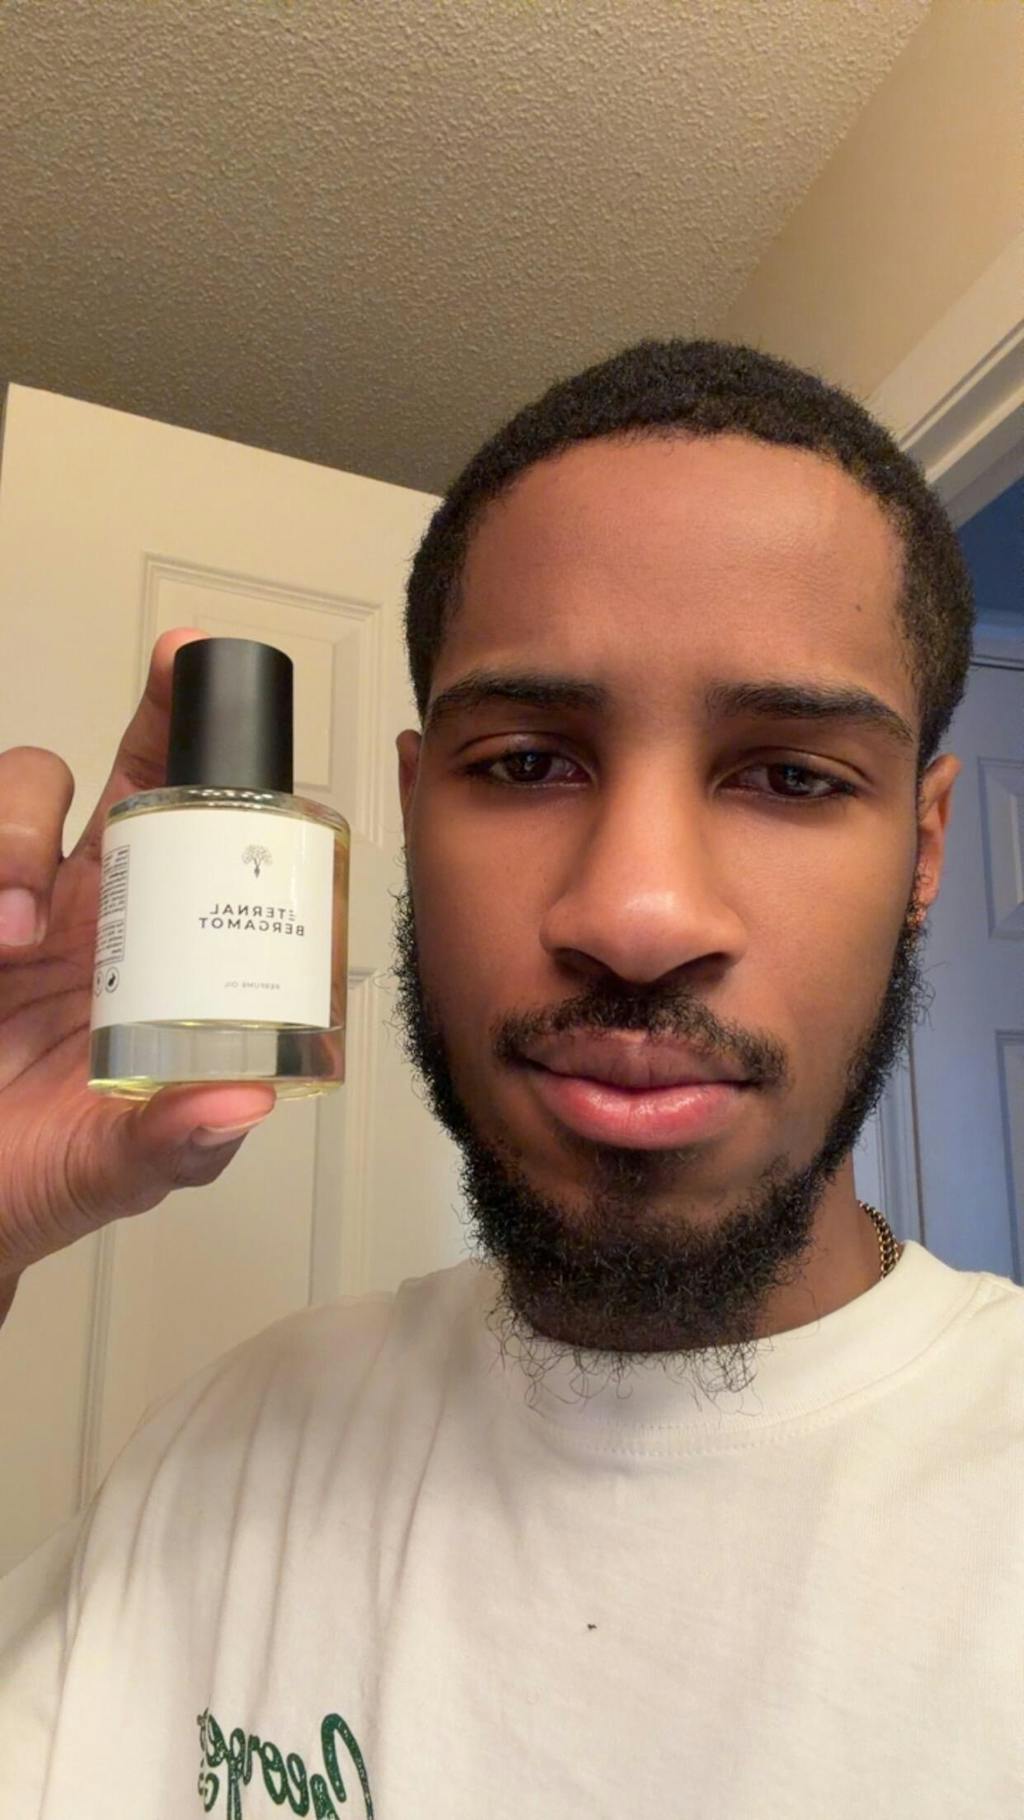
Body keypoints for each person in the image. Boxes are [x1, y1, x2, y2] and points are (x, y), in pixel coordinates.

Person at [0, 337, 1020, 1819]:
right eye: (531, 763)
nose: (638, 915)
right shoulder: (230, 1443)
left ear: (924, 850)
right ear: (415, 810)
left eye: (793, 775)